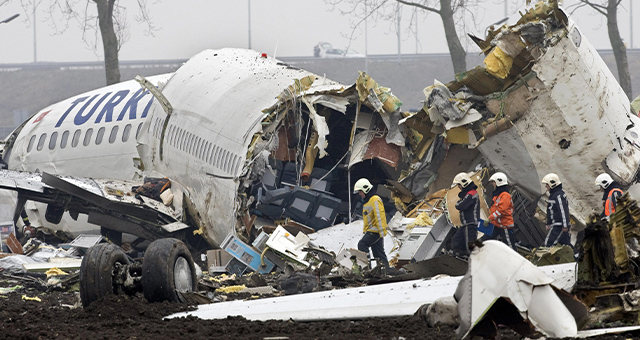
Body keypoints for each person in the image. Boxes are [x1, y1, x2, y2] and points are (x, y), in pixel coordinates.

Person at [353, 178, 389, 267]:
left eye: (360, 191)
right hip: (374, 231)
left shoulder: (375, 199)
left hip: (376, 231)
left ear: (365, 189)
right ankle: (385, 270)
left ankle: (366, 268)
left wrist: (381, 232)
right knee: (378, 252)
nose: (359, 194)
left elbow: (379, 216)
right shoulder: (368, 201)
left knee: (362, 244)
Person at [482, 172, 517, 250]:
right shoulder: (498, 195)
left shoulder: (505, 195)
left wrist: (489, 218)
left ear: (498, 182)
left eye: (493, 182)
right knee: (485, 241)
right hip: (497, 224)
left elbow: (501, 211)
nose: (492, 184)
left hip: (505, 226)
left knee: (510, 247)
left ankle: (514, 260)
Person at [451, 172, 479, 257]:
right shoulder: (468, 194)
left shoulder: (472, 194)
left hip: (470, 224)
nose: (458, 187)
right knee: (456, 242)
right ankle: (459, 258)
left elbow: (461, 205)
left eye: (459, 185)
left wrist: (458, 203)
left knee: (470, 247)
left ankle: (474, 263)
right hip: (465, 224)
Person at [541, 173, 571, 247]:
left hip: (558, 225)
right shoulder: (554, 195)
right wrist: (549, 223)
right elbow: (550, 211)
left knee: (549, 243)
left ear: (552, 184)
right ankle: (577, 257)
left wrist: (565, 225)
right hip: (558, 224)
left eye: (547, 184)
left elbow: (563, 211)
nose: (546, 186)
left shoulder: (558, 196)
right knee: (566, 244)